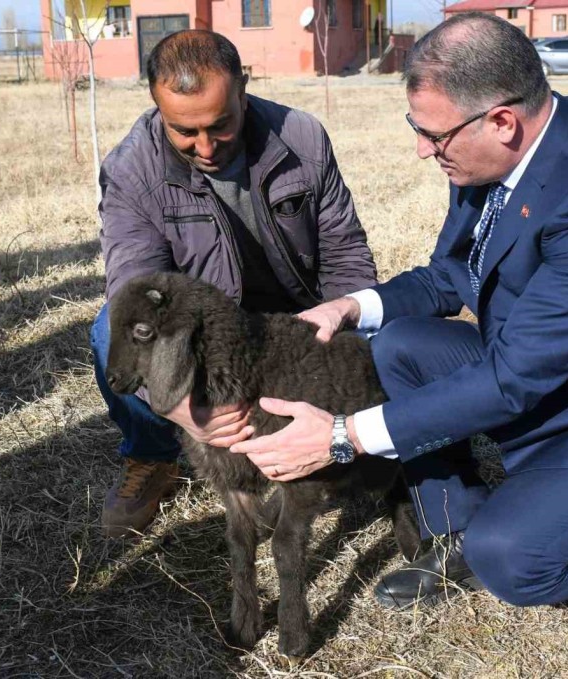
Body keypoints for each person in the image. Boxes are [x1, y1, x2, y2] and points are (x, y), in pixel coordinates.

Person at [229, 11, 568, 627]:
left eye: (431, 135)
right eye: (418, 128)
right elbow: (452, 273)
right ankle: (453, 531)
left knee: (515, 561)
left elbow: (515, 378)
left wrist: (342, 435)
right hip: (551, 369)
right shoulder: (490, 155)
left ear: (502, 120)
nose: (422, 148)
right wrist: (354, 305)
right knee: (401, 343)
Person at [91, 30, 377, 538]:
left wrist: (347, 321)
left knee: (383, 331)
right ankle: (154, 455)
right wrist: (175, 403)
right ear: (157, 107)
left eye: (220, 125)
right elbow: (136, 285)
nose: (205, 146)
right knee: (105, 331)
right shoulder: (132, 168)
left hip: (297, 311)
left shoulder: (302, 139)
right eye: (184, 131)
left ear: (242, 89)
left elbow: (344, 251)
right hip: (209, 326)